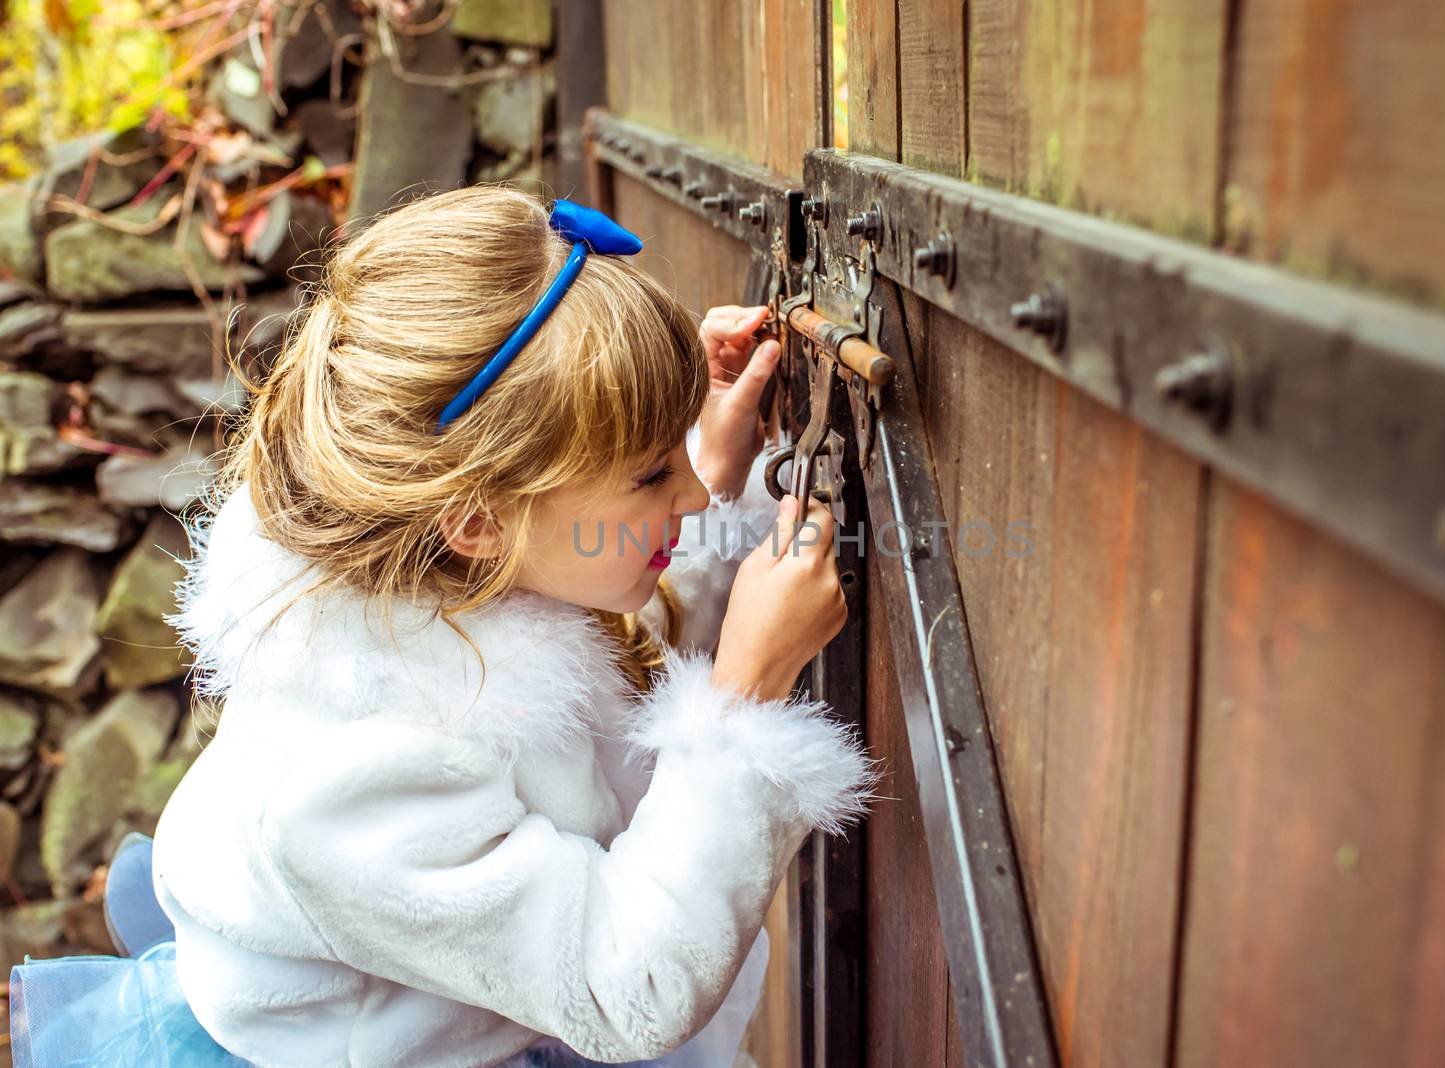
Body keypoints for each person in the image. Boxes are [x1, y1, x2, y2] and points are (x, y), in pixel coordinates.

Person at [8, 188, 875, 1068]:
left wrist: (706, 468)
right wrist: (742, 691)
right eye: (653, 475)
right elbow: (629, 990)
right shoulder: (349, 784)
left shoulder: (459, 570)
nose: (690, 497)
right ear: (477, 521)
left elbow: (593, 642)